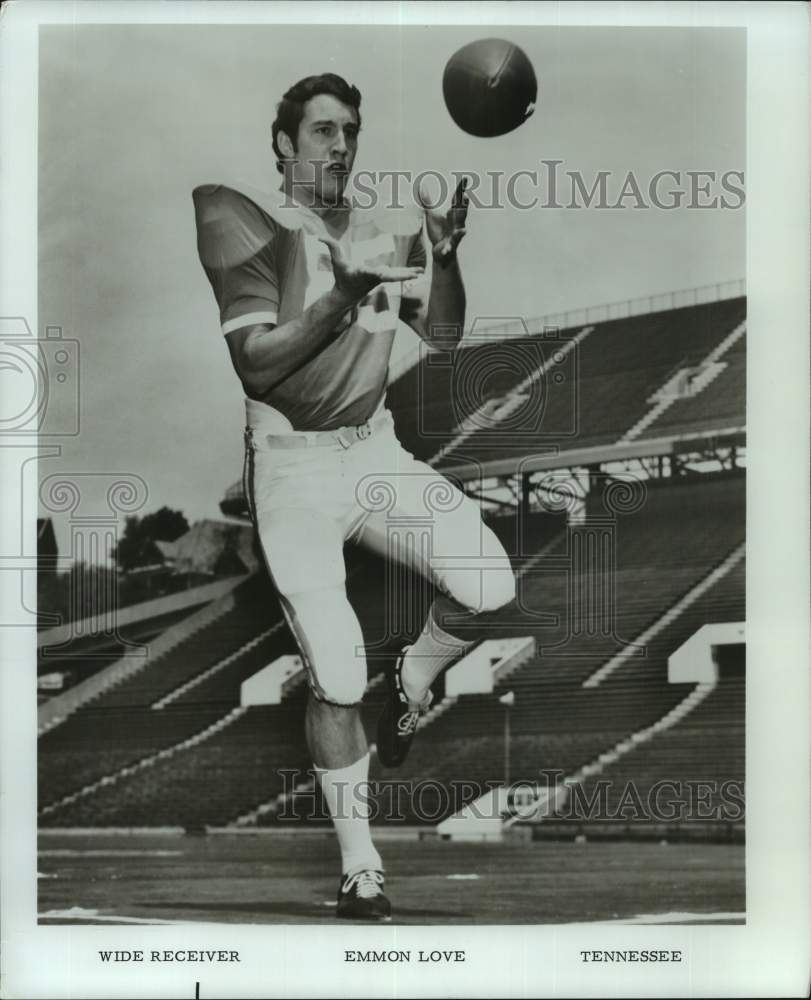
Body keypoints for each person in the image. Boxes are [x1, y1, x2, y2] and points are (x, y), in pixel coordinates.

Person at [193, 73, 515, 921]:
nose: (340, 146)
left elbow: (441, 334)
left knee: (490, 582)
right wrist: (342, 289)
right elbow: (256, 362)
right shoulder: (246, 223)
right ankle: (361, 865)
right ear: (285, 145)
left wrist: (443, 259)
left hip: (373, 453)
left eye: (350, 132)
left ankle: (413, 676)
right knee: (335, 674)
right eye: (323, 131)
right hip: (294, 470)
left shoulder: (376, 228)